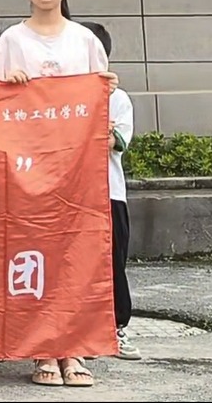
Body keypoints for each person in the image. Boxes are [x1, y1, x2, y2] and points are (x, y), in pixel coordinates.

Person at [0, 0, 114, 388]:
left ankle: (72, 348)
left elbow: (99, 102)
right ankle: (41, 350)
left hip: (75, 168)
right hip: (25, 168)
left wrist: (106, 88)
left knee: (74, 256)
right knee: (32, 257)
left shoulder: (85, 40)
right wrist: (10, 86)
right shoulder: (11, 41)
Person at [81, 21, 140, 362]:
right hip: (67, 195)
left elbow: (114, 142)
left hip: (108, 193)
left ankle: (117, 327)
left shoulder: (117, 98)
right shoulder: (54, 97)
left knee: (111, 263)